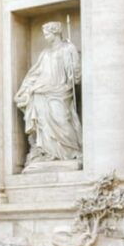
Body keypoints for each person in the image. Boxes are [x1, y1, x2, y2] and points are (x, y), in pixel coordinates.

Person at [14, 20, 82, 168]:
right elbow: (35, 73)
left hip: (61, 90)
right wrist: (23, 90)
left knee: (62, 119)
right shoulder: (45, 53)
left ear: (55, 33)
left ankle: (71, 151)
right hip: (43, 90)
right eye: (44, 34)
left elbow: (76, 72)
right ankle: (48, 152)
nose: (45, 37)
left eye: (47, 34)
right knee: (44, 123)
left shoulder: (68, 48)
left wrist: (73, 73)